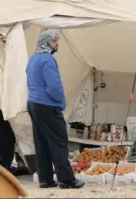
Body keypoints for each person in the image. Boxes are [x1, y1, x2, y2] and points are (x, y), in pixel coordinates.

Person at [26, 30, 84, 189]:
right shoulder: (47, 60)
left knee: (41, 142)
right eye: (53, 41)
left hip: (33, 103)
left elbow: (30, 83)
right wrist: (61, 103)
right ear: (45, 42)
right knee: (58, 142)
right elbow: (54, 87)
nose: (57, 43)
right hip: (47, 105)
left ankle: (45, 179)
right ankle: (66, 180)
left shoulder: (33, 59)